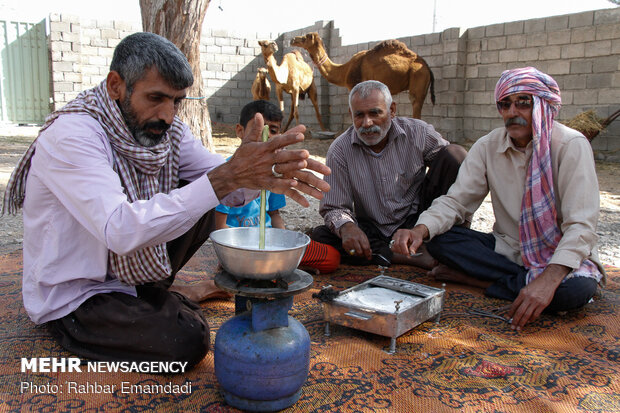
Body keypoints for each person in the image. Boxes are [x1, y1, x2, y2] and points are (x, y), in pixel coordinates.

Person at [1, 32, 330, 368]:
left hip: (132, 273)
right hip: (79, 292)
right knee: (186, 341)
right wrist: (226, 177)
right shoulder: (73, 135)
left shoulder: (167, 131)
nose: (169, 115)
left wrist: (261, 170)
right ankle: (150, 304)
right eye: (155, 98)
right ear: (116, 85)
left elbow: (228, 184)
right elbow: (119, 229)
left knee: (204, 189)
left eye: (176, 101)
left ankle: (152, 293)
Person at [391, 67, 606, 331]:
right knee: (439, 240)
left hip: (561, 256)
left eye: (523, 103)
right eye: (505, 104)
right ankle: (522, 282)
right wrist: (419, 229)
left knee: (575, 291)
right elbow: (457, 202)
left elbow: (581, 226)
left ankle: (481, 282)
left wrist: (548, 281)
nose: (512, 112)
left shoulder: (571, 145)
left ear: (542, 104)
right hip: (509, 249)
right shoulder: (488, 145)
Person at [311, 80, 467, 269]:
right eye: (359, 115)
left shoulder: (418, 133)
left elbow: (452, 168)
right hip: (372, 229)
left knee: (456, 155)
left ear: (392, 110)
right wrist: (348, 227)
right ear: (351, 114)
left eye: (375, 113)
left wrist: (429, 225)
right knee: (321, 237)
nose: (367, 123)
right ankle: (396, 254)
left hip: (417, 222)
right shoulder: (340, 150)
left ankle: (441, 240)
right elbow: (333, 207)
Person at [215, 100, 340, 274]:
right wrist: (236, 251)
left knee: (331, 258)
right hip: (241, 247)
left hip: (272, 245)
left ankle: (281, 267)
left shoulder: (274, 173)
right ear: (240, 131)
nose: (266, 137)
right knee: (243, 271)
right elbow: (219, 227)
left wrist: (285, 247)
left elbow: (274, 216)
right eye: (259, 129)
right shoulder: (226, 173)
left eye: (272, 131)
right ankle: (270, 269)